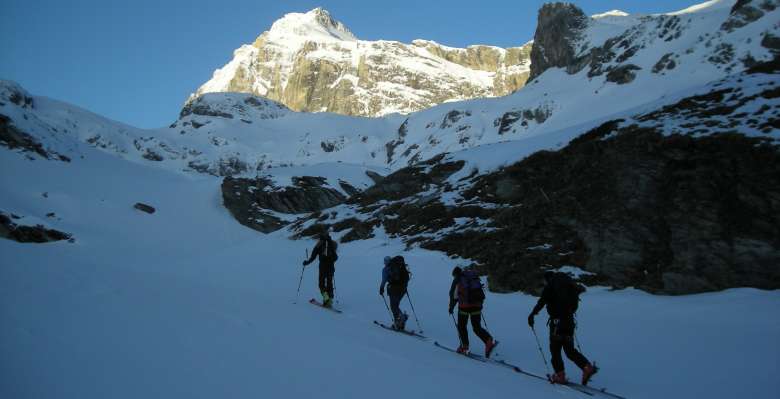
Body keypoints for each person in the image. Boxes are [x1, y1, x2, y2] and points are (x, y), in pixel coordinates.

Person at [528, 271, 598, 385]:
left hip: (557, 324)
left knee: (555, 350)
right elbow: (574, 306)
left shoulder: (550, 287)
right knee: (570, 351)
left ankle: (560, 376)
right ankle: (587, 367)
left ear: (548, 280)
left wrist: (532, 315)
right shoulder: (567, 287)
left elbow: (541, 302)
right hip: (569, 322)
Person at [448, 266, 498, 357]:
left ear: (455, 274)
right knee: (476, 327)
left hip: (464, 307)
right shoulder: (471, 277)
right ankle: (488, 341)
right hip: (477, 305)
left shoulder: (458, 280)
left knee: (462, 326)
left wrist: (451, 307)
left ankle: (464, 347)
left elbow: (454, 296)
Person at [303, 232, 338, 308]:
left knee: (321, 283)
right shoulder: (333, 244)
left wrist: (307, 262)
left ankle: (326, 299)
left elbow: (313, 257)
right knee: (329, 283)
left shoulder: (318, 245)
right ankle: (330, 299)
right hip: (331, 266)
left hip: (323, 266)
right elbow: (336, 257)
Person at [379, 255, 409, 330]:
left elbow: (384, 280)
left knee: (393, 306)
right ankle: (400, 323)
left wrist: (381, 288)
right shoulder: (399, 267)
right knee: (395, 305)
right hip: (403, 289)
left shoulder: (386, 269)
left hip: (394, 289)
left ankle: (399, 320)